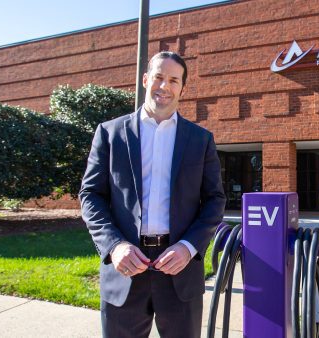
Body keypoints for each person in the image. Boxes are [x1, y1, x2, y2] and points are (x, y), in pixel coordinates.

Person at [80, 51, 226, 338]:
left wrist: (189, 246)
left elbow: (215, 200)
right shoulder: (110, 133)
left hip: (179, 271)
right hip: (125, 270)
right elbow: (91, 195)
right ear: (145, 80)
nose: (164, 86)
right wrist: (114, 246)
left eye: (174, 80)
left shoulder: (200, 139)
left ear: (182, 88)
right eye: (158, 77)